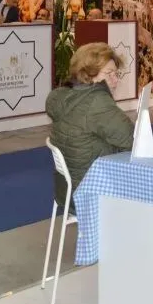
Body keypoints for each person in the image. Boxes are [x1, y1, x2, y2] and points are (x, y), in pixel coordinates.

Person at [45, 43, 134, 207]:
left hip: (66, 191)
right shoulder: (97, 102)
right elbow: (133, 140)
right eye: (109, 73)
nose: (115, 80)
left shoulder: (62, 96)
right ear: (88, 75)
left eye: (116, 73)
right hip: (92, 193)